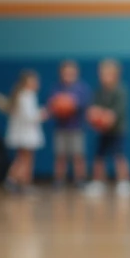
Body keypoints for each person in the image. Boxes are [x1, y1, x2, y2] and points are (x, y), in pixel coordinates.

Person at [84, 59, 130, 197]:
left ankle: (124, 182)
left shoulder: (121, 91)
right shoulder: (99, 91)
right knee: (99, 156)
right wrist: (94, 115)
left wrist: (105, 116)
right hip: (103, 131)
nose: (103, 77)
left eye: (107, 74)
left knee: (120, 156)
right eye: (101, 73)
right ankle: (98, 182)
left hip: (118, 130)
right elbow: (91, 110)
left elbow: (114, 114)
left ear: (115, 75)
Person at [50, 60, 91, 188]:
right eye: (65, 73)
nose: (68, 75)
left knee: (78, 155)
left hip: (77, 128)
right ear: (61, 74)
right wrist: (59, 105)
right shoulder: (56, 88)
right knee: (60, 155)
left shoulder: (82, 88)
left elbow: (83, 104)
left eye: (71, 73)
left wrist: (70, 103)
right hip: (61, 128)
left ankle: (80, 179)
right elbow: (52, 105)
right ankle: (59, 180)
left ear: (76, 73)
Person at [4, 70, 45, 193]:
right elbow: (30, 116)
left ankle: (17, 181)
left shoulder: (21, 95)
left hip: (22, 133)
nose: (36, 83)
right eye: (33, 81)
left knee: (21, 158)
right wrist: (42, 114)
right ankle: (22, 182)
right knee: (26, 159)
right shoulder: (27, 96)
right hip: (26, 134)